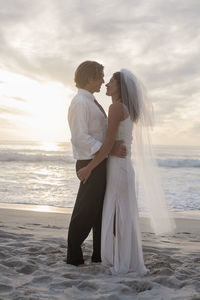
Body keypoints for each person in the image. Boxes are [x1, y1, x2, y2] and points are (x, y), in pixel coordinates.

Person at [78, 69, 175, 274]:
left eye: (110, 81)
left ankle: (120, 260)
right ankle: (124, 257)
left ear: (120, 86)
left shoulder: (116, 108)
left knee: (117, 212)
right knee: (122, 213)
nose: (106, 84)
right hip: (123, 167)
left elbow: (107, 145)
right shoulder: (126, 109)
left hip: (117, 167)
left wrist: (89, 167)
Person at [67, 61, 126, 267]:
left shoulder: (91, 101)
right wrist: (108, 150)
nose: (103, 80)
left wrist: (108, 150)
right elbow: (80, 138)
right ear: (90, 78)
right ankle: (73, 257)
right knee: (85, 211)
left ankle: (98, 255)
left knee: (99, 211)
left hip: (99, 160)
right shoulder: (80, 103)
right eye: (100, 76)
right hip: (89, 161)